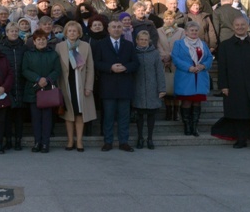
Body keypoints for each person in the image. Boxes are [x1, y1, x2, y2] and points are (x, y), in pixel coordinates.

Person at [211, 17, 250, 150]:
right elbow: (222, 68)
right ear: (233, 27)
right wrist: (223, 86)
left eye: (243, 25)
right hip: (234, 85)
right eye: (237, 25)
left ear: (247, 26)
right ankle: (241, 139)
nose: (240, 27)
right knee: (239, 114)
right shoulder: (225, 45)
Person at [93, 21, 140, 152]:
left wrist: (126, 68)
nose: (116, 29)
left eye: (119, 27)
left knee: (124, 116)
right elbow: (96, 63)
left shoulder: (129, 45)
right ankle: (108, 142)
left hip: (125, 85)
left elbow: (135, 63)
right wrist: (110, 68)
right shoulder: (101, 44)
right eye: (113, 27)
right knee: (108, 116)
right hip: (108, 85)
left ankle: (123, 142)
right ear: (108, 29)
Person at [55, 21, 95, 152]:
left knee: (79, 114)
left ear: (79, 33)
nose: (72, 33)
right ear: (65, 33)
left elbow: (90, 68)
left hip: (80, 84)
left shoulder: (85, 46)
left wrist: (88, 86)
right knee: (68, 114)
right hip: (66, 84)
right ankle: (70, 140)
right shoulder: (60, 46)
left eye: (75, 31)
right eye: (69, 31)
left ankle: (79, 141)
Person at [21, 29, 62, 153]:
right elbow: (25, 70)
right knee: (36, 118)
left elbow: (57, 70)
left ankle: (45, 143)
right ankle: (37, 142)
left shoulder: (53, 54)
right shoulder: (28, 54)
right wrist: (38, 79)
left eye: (43, 39)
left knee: (47, 118)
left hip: (48, 90)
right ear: (34, 41)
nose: (41, 42)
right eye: (38, 39)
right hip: (34, 89)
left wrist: (47, 79)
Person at [171, 21, 213, 137]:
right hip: (186, 76)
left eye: (195, 30)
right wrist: (188, 67)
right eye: (191, 30)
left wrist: (203, 65)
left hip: (200, 76)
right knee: (187, 101)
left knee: (197, 102)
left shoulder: (203, 44)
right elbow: (175, 58)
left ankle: (194, 127)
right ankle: (187, 126)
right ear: (186, 32)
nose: (194, 32)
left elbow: (209, 57)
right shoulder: (179, 44)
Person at [132, 31, 166, 150]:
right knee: (139, 115)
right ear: (137, 40)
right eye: (141, 39)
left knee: (151, 115)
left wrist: (162, 88)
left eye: (145, 40)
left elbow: (160, 72)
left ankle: (150, 138)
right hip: (138, 88)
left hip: (152, 88)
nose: (143, 42)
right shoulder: (133, 53)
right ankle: (140, 137)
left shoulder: (155, 53)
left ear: (149, 41)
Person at [0, 22, 27, 150]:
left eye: (16, 31)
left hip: (21, 83)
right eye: (11, 31)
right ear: (6, 33)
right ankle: (8, 140)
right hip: (6, 84)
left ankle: (18, 141)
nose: (14, 33)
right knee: (7, 115)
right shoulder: (1, 47)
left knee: (19, 115)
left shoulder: (23, 46)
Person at [157, 10, 185, 121]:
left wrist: (171, 56)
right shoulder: (158, 31)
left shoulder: (181, 31)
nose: (169, 20)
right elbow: (158, 45)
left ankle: (176, 111)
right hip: (163, 62)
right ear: (164, 19)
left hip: (176, 62)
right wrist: (164, 57)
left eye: (171, 18)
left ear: (175, 19)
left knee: (176, 87)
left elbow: (182, 45)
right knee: (166, 87)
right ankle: (168, 111)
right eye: (167, 18)